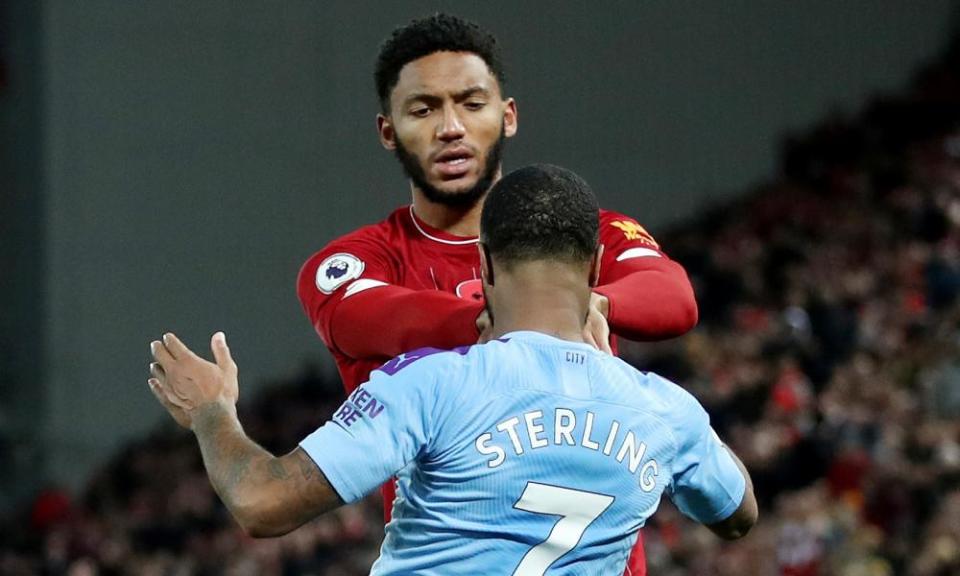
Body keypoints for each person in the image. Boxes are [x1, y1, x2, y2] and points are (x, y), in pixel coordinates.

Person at [149, 164, 757, 575]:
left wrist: (211, 412)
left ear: (486, 265)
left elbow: (262, 503)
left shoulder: (430, 383)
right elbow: (738, 514)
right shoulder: (665, 411)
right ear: (597, 267)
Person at [297, 14, 698, 574]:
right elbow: (370, 317)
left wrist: (597, 304)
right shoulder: (363, 260)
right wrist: (529, 320)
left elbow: (674, 297)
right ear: (388, 131)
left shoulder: (578, 231)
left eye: (471, 103)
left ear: (507, 117)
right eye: (424, 109)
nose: (451, 127)